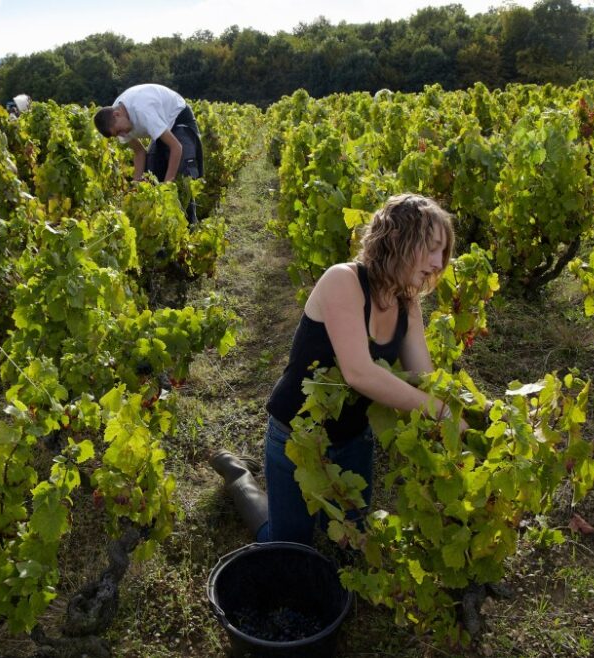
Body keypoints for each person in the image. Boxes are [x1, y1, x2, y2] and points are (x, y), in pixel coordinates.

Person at [211, 194, 466, 545]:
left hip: (353, 439)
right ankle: (238, 475)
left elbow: (425, 377)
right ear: (398, 239)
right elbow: (359, 373)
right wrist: (440, 412)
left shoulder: (408, 304)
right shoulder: (343, 281)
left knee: (352, 543)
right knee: (288, 546)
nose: (439, 263)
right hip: (296, 436)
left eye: (444, 252)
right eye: (433, 248)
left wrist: (474, 411)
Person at [93, 83, 203, 223]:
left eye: (119, 131)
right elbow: (139, 153)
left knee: (182, 174)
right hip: (161, 126)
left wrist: (167, 186)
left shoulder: (143, 111)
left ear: (117, 114)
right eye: (117, 134)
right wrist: (136, 184)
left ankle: (190, 224)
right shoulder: (117, 121)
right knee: (152, 175)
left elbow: (177, 147)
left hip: (178, 117)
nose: (121, 135)